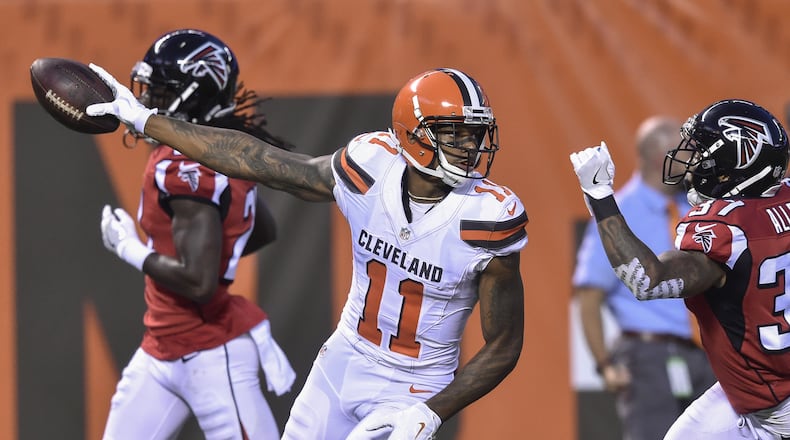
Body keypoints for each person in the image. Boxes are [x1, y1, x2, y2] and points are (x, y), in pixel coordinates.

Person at [87, 64, 528, 439]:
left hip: (415, 386)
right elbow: (255, 160)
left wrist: (432, 411)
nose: (470, 147)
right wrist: (147, 120)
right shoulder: (371, 167)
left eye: (475, 134)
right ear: (412, 135)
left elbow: (504, 344)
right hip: (344, 361)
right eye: (455, 134)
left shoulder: (488, 217)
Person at [97, 29, 296, 440]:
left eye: (161, 92)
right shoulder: (224, 148)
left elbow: (200, 284)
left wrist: (130, 249)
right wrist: (220, 249)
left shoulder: (184, 166)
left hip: (211, 354)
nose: (148, 102)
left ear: (194, 96)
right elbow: (262, 229)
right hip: (162, 347)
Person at [570, 99, 790, 439]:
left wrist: (600, 198)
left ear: (737, 163)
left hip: (773, 398)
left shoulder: (725, 230)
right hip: (749, 386)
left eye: (703, 154)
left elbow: (646, 280)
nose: (693, 164)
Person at [572, 116, 716, 439]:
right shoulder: (618, 211)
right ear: (659, 158)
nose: (695, 159)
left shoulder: (695, 204)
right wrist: (604, 364)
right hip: (649, 355)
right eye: (686, 152)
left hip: (705, 352)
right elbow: (589, 295)